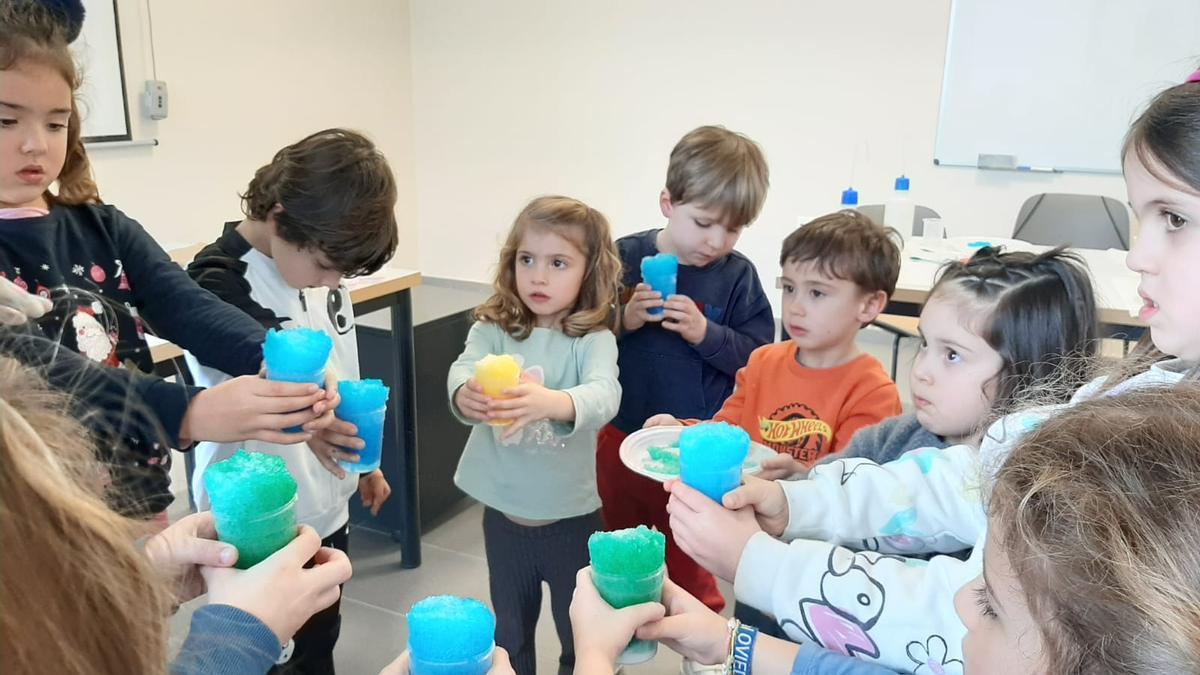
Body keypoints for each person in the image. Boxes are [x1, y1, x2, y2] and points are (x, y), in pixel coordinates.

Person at [186, 128, 399, 672]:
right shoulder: (217, 283)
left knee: (318, 642)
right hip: (258, 521)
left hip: (325, 505)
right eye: (328, 266)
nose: (333, 280)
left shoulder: (320, 265)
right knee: (267, 655)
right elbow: (273, 380)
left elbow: (341, 372)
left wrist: (362, 466)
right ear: (280, 218)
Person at [597, 124, 775, 613]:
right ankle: (622, 626)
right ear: (667, 203)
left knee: (693, 549)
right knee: (621, 540)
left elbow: (759, 356)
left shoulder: (737, 276)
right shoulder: (622, 258)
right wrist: (623, 319)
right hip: (620, 431)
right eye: (703, 222)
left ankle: (704, 637)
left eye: (733, 228)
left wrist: (706, 334)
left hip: (695, 446)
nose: (717, 241)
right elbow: (583, 334)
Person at [447, 195, 622, 674]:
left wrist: (554, 402)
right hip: (503, 522)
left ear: (588, 273)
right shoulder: (496, 328)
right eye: (527, 260)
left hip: (571, 521)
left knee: (581, 634)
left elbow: (605, 394)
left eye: (558, 262)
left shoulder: (592, 339)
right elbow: (464, 367)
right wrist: (465, 392)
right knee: (510, 634)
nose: (538, 276)